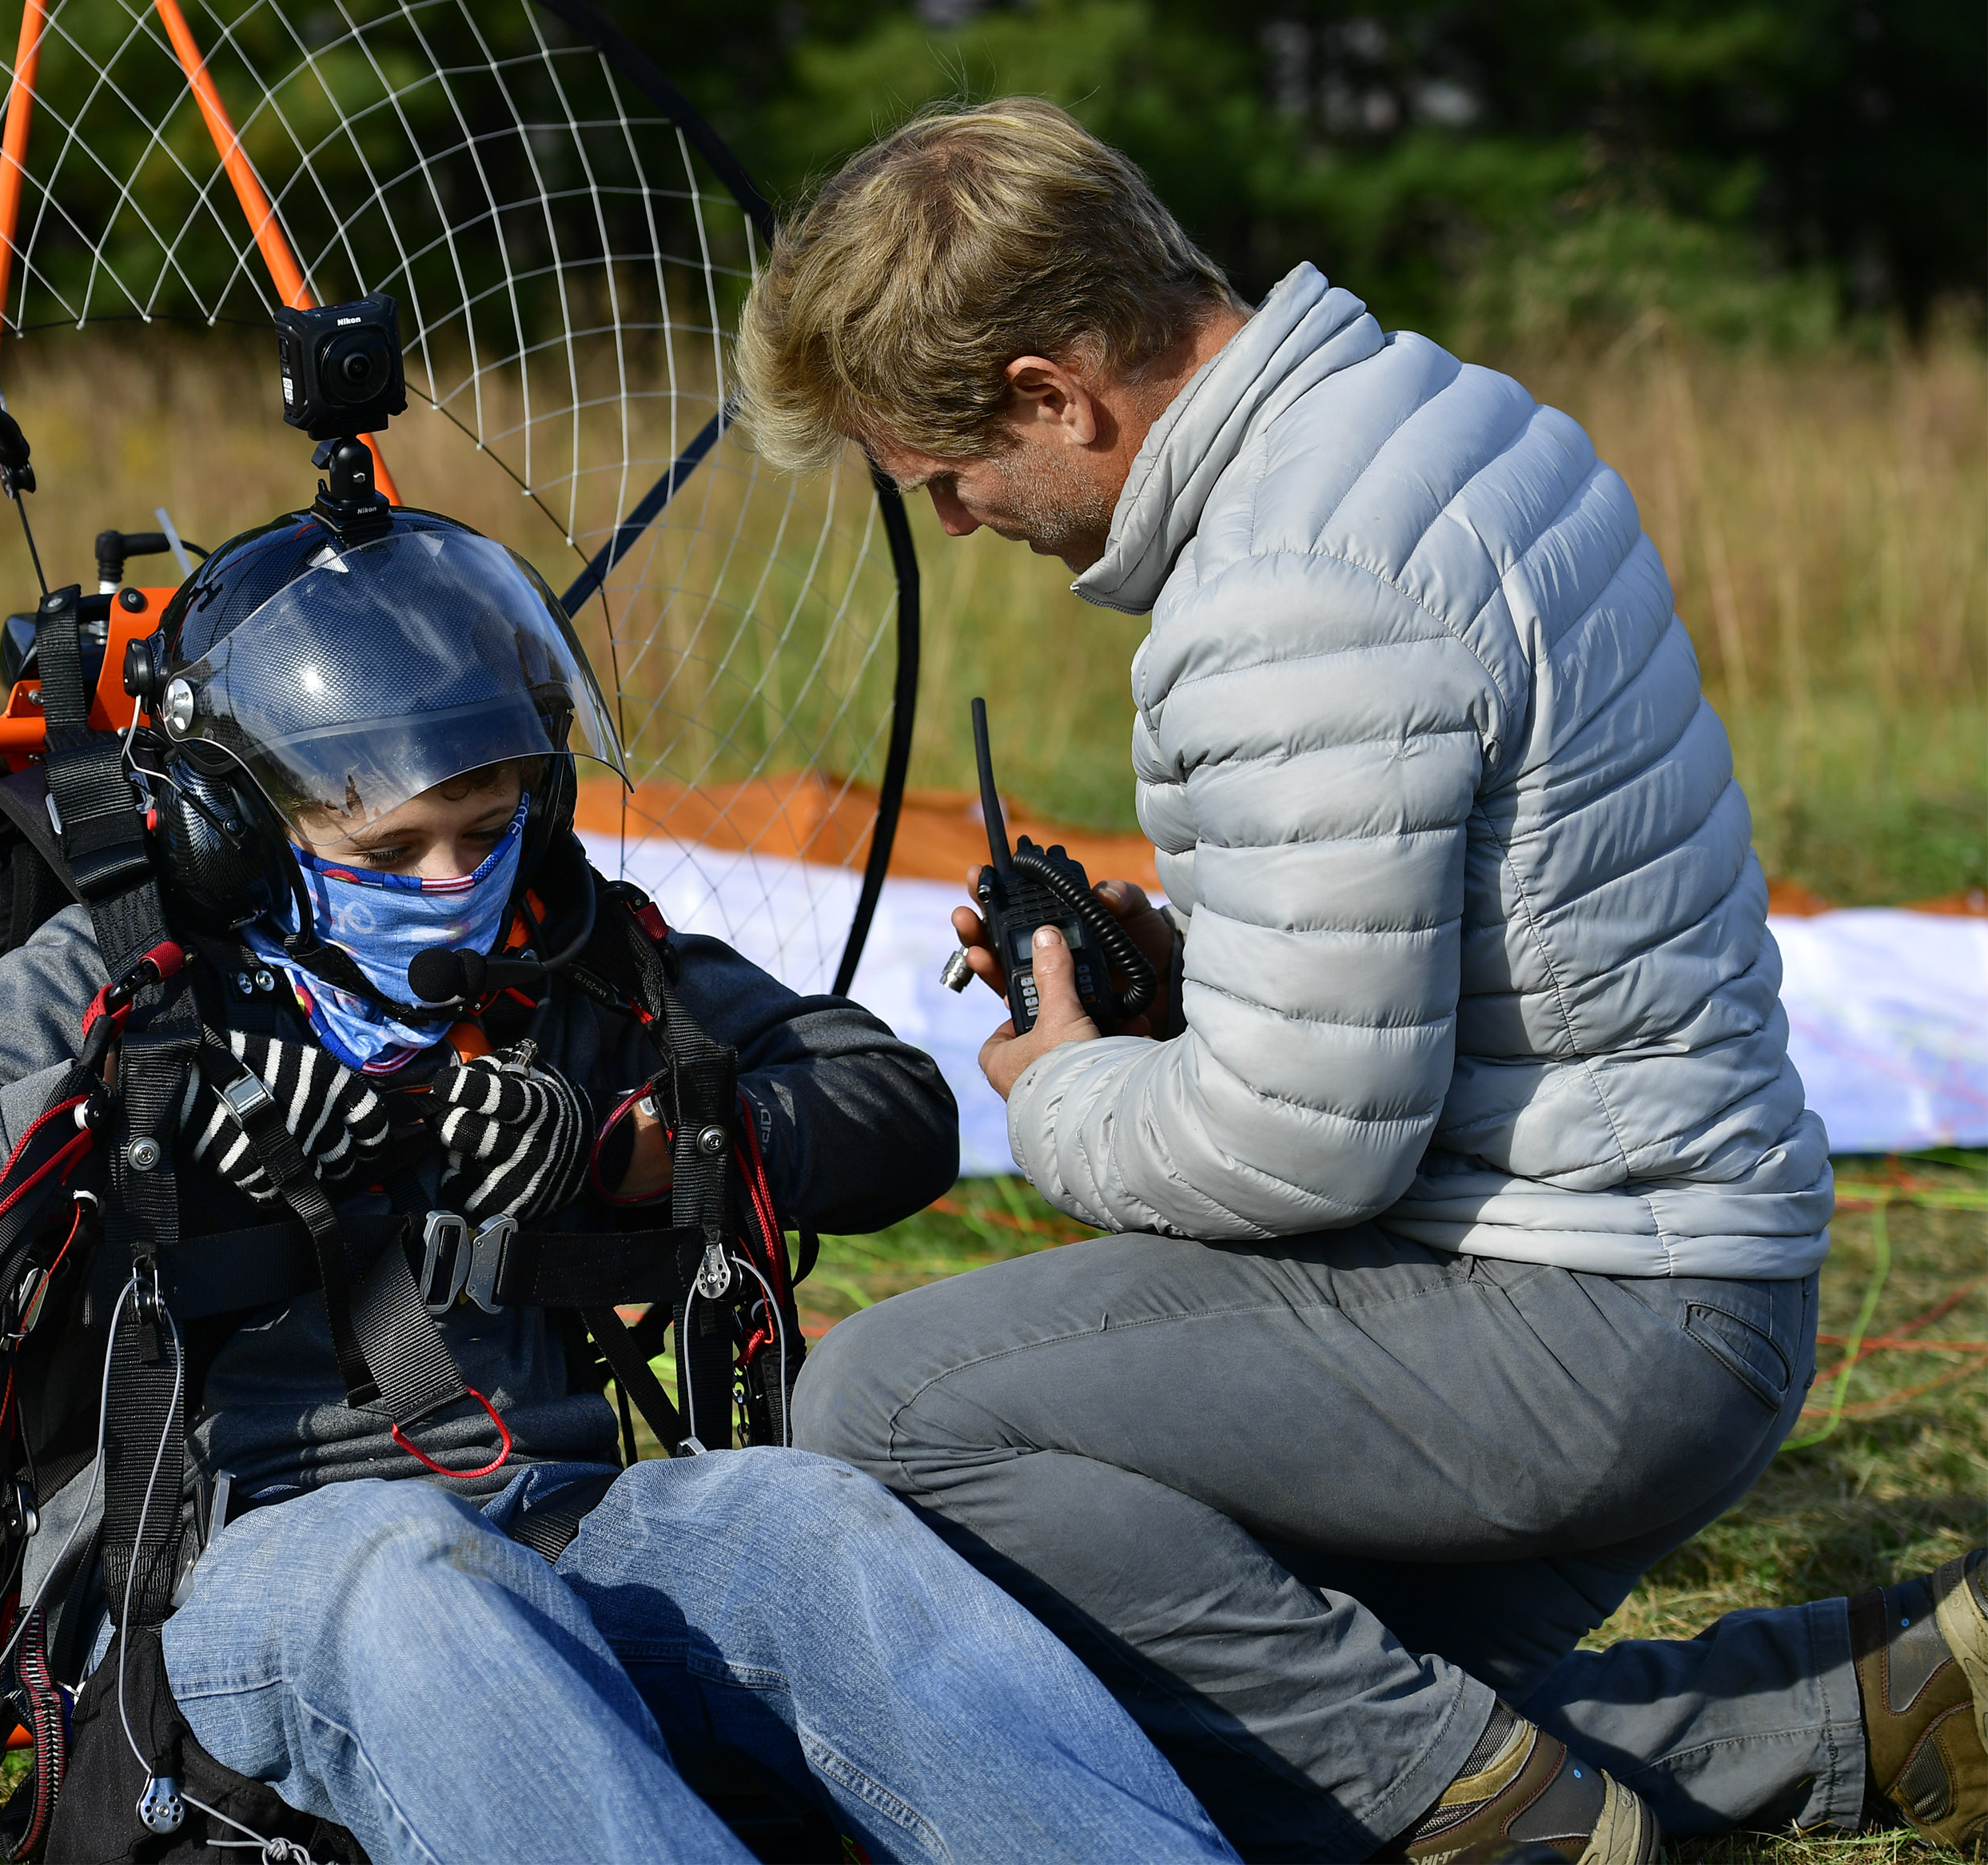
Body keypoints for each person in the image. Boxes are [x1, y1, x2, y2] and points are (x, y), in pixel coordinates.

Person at [739, 96, 1988, 1863]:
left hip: (1587, 1329)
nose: (952, 519)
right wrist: (1187, 983)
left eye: (941, 477)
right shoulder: (1430, 417)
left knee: (884, 1403)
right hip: (1679, 1270)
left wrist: (1068, 1084)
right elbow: (1480, 943)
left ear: (1049, 395)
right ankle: (1863, 1710)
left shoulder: (1281, 591)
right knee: (1167, 1699)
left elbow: (1295, 1153)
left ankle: (1493, 1827)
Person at [0, 501, 1236, 1865]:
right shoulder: (120, 988)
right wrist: (127, 1113)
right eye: (391, 846)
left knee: (803, 1522)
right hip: (237, 1578)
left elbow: (886, 1103)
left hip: (560, 1522)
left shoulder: (565, 955)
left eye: (485, 827)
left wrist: (632, 1136)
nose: (455, 882)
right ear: (238, 828)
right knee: (411, 1570)